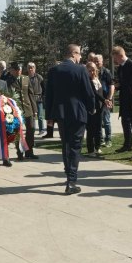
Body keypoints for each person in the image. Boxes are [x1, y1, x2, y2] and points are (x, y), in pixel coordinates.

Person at [45, 44, 95, 195]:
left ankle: (69, 175)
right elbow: (88, 92)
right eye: (79, 54)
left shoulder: (54, 70)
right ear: (74, 54)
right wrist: (92, 107)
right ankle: (71, 181)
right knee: (75, 146)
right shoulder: (80, 69)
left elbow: (49, 95)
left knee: (65, 145)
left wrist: (49, 117)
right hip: (78, 114)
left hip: (60, 114)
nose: (80, 58)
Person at [5, 62, 39, 161]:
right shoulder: (8, 81)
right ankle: (19, 152)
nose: (18, 71)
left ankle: (29, 151)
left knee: (31, 129)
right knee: (18, 132)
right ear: (13, 71)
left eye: (20, 69)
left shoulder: (26, 78)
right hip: (16, 110)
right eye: (16, 70)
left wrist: (34, 109)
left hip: (28, 108)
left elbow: (31, 94)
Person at [112, 46, 132, 159]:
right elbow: (123, 83)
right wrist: (117, 86)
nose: (114, 61)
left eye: (115, 58)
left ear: (120, 55)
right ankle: (127, 144)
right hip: (123, 100)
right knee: (125, 122)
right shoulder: (120, 68)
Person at [85, 61, 105, 157]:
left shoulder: (98, 79)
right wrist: (105, 100)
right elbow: (94, 93)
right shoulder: (87, 81)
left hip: (100, 107)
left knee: (98, 128)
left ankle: (97, 147)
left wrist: (105, 101)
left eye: (93, 70)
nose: (92, 72)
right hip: (91, 108)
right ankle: (90, 150)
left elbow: (101, 92)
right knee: (90, 129)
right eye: (90, 71)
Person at [94, 54, 114, 148]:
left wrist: (109, 98)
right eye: (95, 61)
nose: (96, 63)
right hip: (96, 100)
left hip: (105, 99)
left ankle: (108, 139)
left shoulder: (106, 72)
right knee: (98, 121)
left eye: (98, 61)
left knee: (106, 121)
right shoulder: (92, 72)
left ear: (102, 62)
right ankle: (100, 139)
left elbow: (111, 85)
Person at [27, 62, 46, 134]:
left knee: (40, 116)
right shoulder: (25, 78)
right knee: (32, 116)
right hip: (29, 99)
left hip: (38, 98)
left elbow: (44, 88)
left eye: (32, 67)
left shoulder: (39, 77)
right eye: (29, 67)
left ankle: (41, 130)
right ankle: (32, 130)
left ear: (35, 68)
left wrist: (42, 96)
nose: (31, 69)